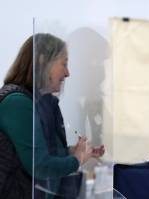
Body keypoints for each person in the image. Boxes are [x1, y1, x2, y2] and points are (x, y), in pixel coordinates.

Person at [0, 33, 105, 199]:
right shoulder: (17, 104)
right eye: (64, 64)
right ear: (43, 61)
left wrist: (73, 152)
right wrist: (77, 159)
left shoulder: (41, 103)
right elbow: (40, 165)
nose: (68, 73)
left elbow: (45, 153)